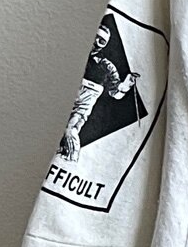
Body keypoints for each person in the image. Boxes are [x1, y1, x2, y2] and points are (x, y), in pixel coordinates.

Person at [58, 15, 140, 163]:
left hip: (83, 105)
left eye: (101, 41)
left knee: (70, 129)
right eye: (96, 37)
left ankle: (71, 161)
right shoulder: (72, 52)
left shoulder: (107, 66)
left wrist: (127, 84)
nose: (96, 42)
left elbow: (116, 93)